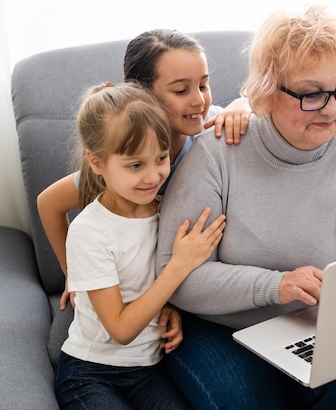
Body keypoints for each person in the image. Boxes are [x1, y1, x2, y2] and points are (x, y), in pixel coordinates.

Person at [156, 5, 336, 410]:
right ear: (264, 92)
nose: (333, 110)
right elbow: (176, 277)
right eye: (312, 93)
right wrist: (275, 285)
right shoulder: (217, 153)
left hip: (312, 331)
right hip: (217, 330)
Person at [37, 28, 250, 314]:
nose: (199, 100)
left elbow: (255, 114)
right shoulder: (125, 163)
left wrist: (243, 105)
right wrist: (75, 276)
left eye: (203, 85)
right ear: (143, 94)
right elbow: (48, 203)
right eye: (181, 90)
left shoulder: (212, 126)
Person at [54, 82, 226, 410]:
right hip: (90, 373)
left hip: (148, 370)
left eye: (161, 158)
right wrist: (179, 266)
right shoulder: (89, 231)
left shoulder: (167, 210)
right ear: (97, 163)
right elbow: (120, 328)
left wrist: (169, 308)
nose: (153, 176)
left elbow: (145, 283)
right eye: (135, 165)